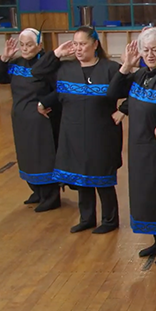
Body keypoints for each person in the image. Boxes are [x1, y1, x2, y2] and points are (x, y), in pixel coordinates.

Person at [107, 27, 156, 267]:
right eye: (146, 50)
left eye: (155, 50)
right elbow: (113, 92)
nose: (150, 54)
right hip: (141, 147)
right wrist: (126, 67)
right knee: (149, 197)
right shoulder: (141, 74)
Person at [32, 27, 122, 235]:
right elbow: (37, 72)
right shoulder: (65, 69)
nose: (78, 49)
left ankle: (110, 219)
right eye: (75, 44)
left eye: (83, 44)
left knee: (102, 177)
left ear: (95, 45)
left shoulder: (111, 69)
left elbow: (132, 90)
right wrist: (56, 54)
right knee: (81, 176)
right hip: (72, 131)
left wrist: (123, 111)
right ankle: (87, 218)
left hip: (101, 133)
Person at [0, 30, 61, 213]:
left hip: (41, 121)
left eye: (29, 44)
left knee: (43, 158)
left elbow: (61, 88)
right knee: (27, 157)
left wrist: (45, 103)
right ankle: (36, 191)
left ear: (39, 45)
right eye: (22, 44)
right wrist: (4, 58)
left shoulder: (47, 64)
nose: (25, 48)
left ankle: (51, 196)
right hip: (21, 120)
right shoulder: (16, 64)